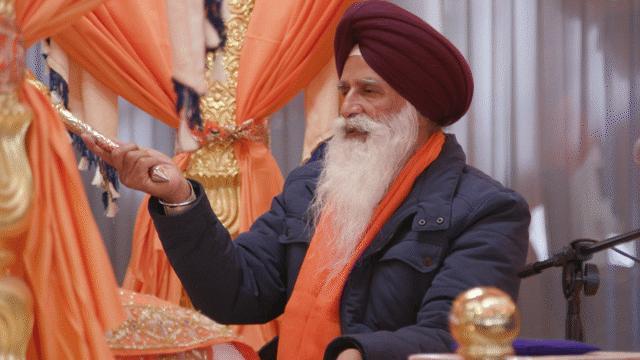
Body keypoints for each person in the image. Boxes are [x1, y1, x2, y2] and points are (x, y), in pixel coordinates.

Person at [83, 1, 530, 359]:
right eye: (344, 91)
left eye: (368, 91)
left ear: (420, 109)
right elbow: (240, 293)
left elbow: (452, 338)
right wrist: (179, 197)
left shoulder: (488, 211)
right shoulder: (318, 180)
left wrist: (356, 353)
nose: (348, 107)